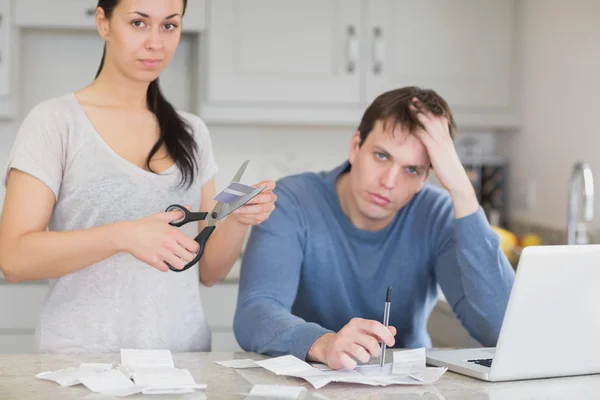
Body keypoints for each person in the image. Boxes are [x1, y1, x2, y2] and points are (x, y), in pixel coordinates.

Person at [0, 0, 276, 353]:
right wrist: (125, 235)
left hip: (180, 363)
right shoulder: (55, 122)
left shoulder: (192, 131)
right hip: (80, 365)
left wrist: (238, 218)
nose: (156, 43)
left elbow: (208, 271)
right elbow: (14, 259)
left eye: (169, 26)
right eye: (138, 23)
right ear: (104, 23)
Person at [234, 86, 516, 370]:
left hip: (408, 387)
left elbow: (502, 331)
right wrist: (324, 343)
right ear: (356, 147)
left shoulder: (437, 212)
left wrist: (462, 190)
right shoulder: (292, 201)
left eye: (412, 170)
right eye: (381, 156)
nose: (389, 181)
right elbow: (255, 311)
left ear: (426, 177)